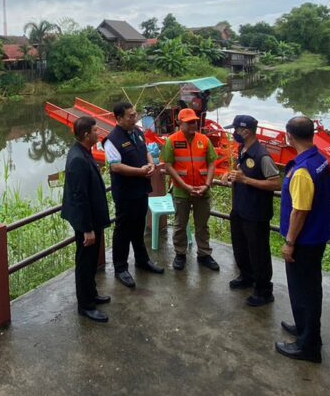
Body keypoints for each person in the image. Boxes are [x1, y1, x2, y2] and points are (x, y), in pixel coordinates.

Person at [275, 115, 330, 363]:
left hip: (304, 241)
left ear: (289, 136)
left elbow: (300, 211)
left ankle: (308, 346)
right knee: (307, 290)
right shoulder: (320, 160)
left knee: (305, 291)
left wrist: (290, 243)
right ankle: (304, 328)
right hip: (316, 236)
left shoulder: (302, 171)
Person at [104, 102, 165, 288]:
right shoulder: (112, 140)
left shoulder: (137, 132)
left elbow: (146, 151)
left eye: (135, 114)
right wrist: (140, 171)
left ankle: (142, 260)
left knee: (139, 227)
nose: (135, 118)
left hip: (141, 189)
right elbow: (116, 166)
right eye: (130, 116)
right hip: (125, 193)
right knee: (123, 230)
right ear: (119, 118)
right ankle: (120, 268)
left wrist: (152, 164)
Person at [224, 114, 281, 307]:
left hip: (256, 213)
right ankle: (246, 277)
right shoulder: (243, 149)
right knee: (240, 247)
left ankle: (264, 291)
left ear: (246, 131)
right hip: (240, 209)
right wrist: (231, 176)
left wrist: (245, 180)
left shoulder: (262, 156)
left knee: (259, 253)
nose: (234, 133)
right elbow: (242, 173)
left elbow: (276, 183)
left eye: (236, 130)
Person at [61, 115, 113, 322]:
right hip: (86, 222)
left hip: (92, 218)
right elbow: (79, 197)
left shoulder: (83, 152)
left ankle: (91, 293)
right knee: (85, 262)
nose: (98, 133)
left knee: (90, 262)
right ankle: (85, 305)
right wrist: (87, 229)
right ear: (86, 134)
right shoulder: (78, 159)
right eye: (95, 131)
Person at [161, 108, 219, 272]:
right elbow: (168, 165)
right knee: (180, 225)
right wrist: (184, 186)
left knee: (202, 225)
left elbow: (212, 163)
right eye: (189, 122)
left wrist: (206, 185)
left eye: (194, 121)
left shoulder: (204, 140)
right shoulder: (172, 141)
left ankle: (204, 254)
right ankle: (180, 254)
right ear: (180, 123)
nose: (193, 125)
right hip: (181, 191)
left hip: (203, 190)